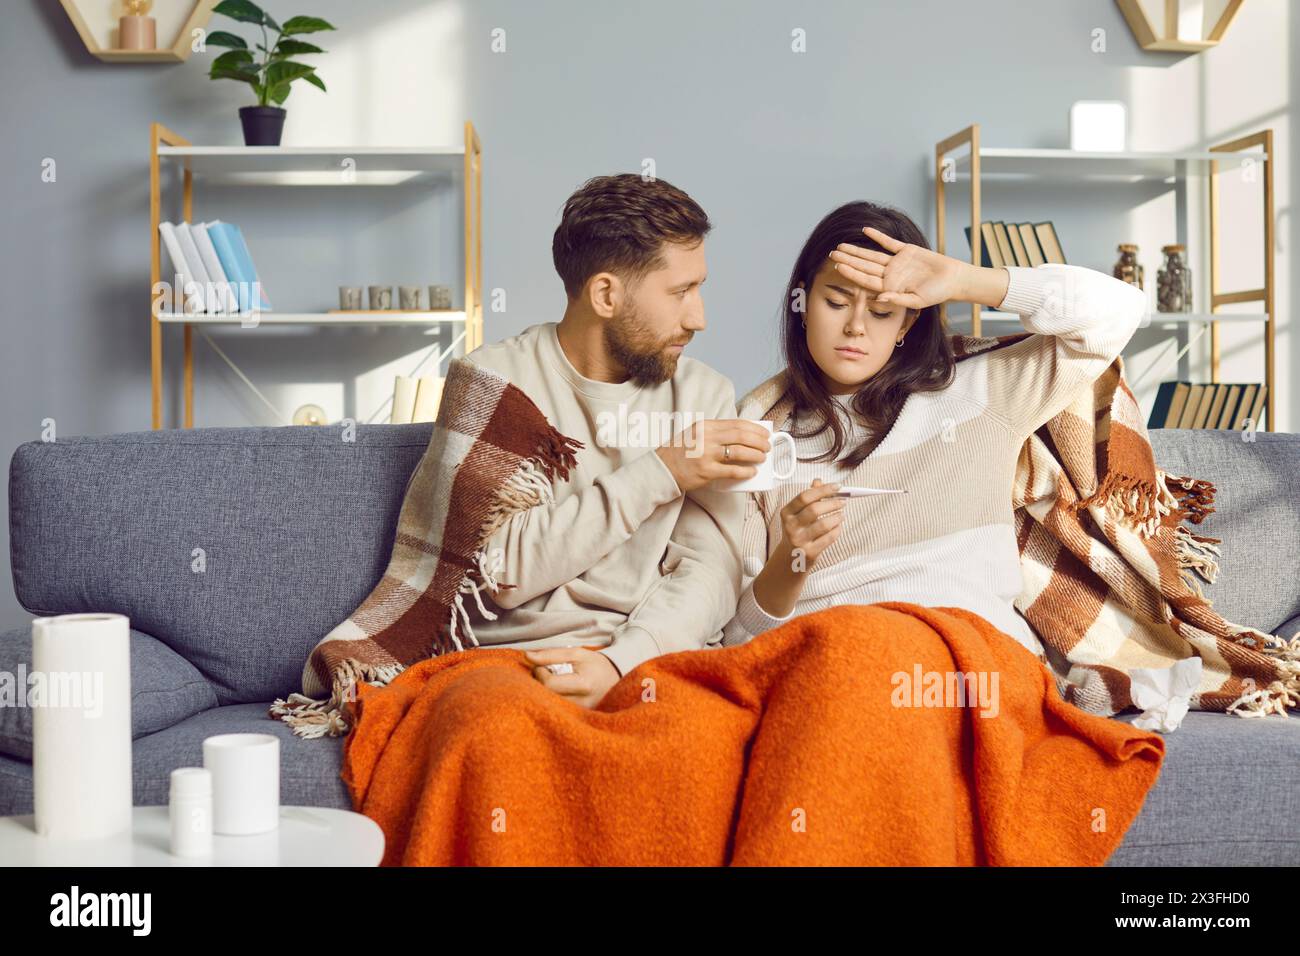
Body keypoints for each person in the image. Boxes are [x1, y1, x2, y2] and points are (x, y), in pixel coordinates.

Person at [722, 200, 1148, 653]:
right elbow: (741, 640)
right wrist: (793, 559)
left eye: (882, 312)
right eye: (835, 302)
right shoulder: (756, 439)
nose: (855, 328)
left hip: (967, 650)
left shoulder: (984, 392)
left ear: (909, 320)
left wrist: (965, 279)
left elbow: (1119, 311)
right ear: (802, 302)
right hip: (831, 656)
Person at [465, 173, 771, 708]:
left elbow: (713, 568)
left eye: (700, 287)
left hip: (652, 655)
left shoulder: (703, 393)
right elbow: (500, 575)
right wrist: (664, 471)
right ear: (606, 293)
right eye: (681, 292)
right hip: (515, 660)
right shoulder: (492, 383)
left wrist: (620, 663)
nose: (699, 318)